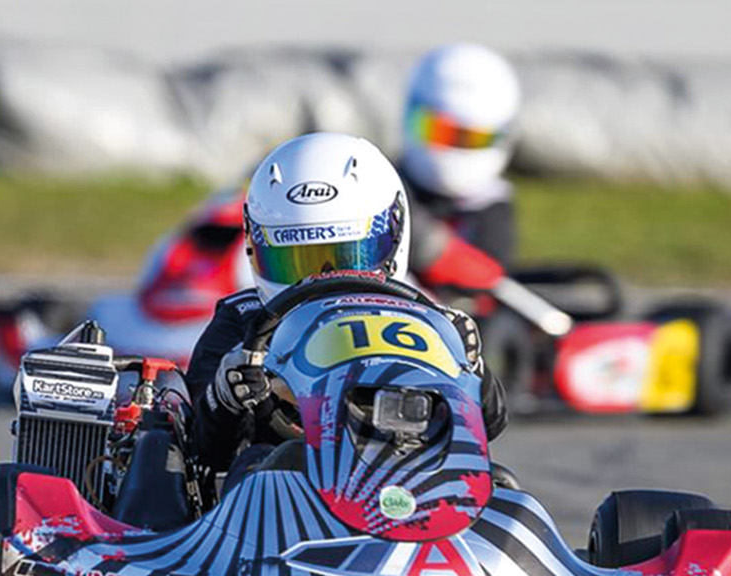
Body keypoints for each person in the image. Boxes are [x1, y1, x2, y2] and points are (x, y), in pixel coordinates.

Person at [186, 131, 509, 482]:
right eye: (296, 262)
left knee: (502, 484)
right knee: (259, 469)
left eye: (345, 258)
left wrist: (470, 368)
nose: (322, 280)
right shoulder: (242, 323)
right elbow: (200, 450)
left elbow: (489, 424)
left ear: (393, 234)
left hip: (405, 476)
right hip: (282, 500)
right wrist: (227, 397)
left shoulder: (425, 320)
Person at [400, 43, 522, 297]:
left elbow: (487, 288)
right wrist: (428, 246)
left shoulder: (492, 211)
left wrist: (442, 256)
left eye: (469, 138)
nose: (449, 147)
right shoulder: (381, 185)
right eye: (439, 132)